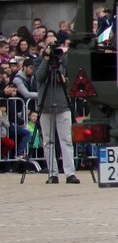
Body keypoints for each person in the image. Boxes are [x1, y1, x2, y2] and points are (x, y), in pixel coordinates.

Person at [31, 43, 79, 184]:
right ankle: (53, 173)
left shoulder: (64, 60)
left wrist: (65, 79)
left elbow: (74, 79)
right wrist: (46, 60)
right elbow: (39, 77)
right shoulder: (39, 61)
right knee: (48, 141)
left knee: (66, 140)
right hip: (45, 105)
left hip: (63, 105)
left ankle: (70, 173)